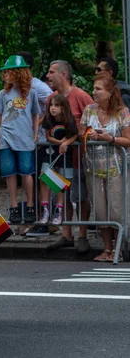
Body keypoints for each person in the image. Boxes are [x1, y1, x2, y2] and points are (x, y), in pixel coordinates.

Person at [79, 75, 130, 262]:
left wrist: (110, 139)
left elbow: (128, 140)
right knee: (101, 211)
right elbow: (80, 133)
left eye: (99, 89)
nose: (94, 92)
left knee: (116, 210)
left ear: (110, 92)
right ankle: (106, 248)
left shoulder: (122, 112)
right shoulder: (89, 110)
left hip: (116, 168)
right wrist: (88, 134)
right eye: (94, 88)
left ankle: (118, 248)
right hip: (93, 168)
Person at [45, 60, 94, 253]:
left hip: (79, 159)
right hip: (58, 159)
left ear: (63, 75)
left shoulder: (81, 96)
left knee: (81, 196)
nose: (48, 76)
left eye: (51, 72)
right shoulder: (51, 99)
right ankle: (66, 235)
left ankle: (82, 235)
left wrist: (78, 136)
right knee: (61, 196)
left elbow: (93, 119)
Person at [0, 55, 40, 231]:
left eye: (8, 72)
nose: (5, 75)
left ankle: (29, 205)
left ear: (18, 73)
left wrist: (35, 134)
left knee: (26, 171)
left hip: (25, 137)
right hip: (6, 137)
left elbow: (35, 114)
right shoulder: (3, 93)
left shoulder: (31, 92)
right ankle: (12, 206)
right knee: (9, 172)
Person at [35, 94, 77, 234]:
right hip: (51, 152)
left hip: (65, 155)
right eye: (51, 105)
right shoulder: (48, 120)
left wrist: (66, 143)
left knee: (62, 182)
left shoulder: (69, 120)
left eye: (56, 105)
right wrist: (60, 143)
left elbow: (74, 135)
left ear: (63, 107)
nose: (53, 108)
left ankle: (59, 210)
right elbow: (48, 136)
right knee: (44, 177)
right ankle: (45, 209)